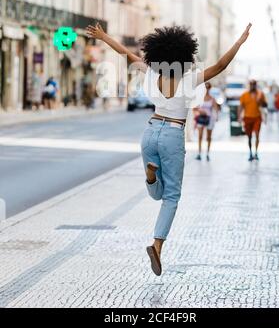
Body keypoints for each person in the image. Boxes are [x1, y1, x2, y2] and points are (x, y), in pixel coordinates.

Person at [86, 22, 252, 276]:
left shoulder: (153, 73)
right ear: (186, 55)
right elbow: (221, 65)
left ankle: (152, 175)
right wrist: (239, 42)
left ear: (157, 53)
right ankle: (157, 245)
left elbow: (126, 54)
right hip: (173, 134)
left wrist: (103, 36)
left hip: (150, 132)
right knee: (171, 196)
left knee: (156, 194)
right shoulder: (189, 78)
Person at [239, 80, 267, 161]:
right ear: (249, 85)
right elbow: (241, 106)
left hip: (257, 117)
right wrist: (239, 117)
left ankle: (256, 152)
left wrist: (260, 101)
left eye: (254, 84)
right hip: (247, 118)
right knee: (249, 137)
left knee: (257, 134)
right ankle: (250, 152)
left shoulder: (260, 94)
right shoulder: (244, 95)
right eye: (251, 84)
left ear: (256, 85)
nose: (252, 86)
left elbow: (265, 105)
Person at [193, 82, 219, 161]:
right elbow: (194, 108)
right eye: (205, 87)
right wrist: (200, 111)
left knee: (208, 137)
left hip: (209, 119)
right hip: (201, 118)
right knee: (200, 136)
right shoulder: (199, 98)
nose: (206, 89)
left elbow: (216, 109)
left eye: (208, 87)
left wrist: (216, 117)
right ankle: (199, 153)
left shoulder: (212, 98)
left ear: (210, 88)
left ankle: (207, 153)